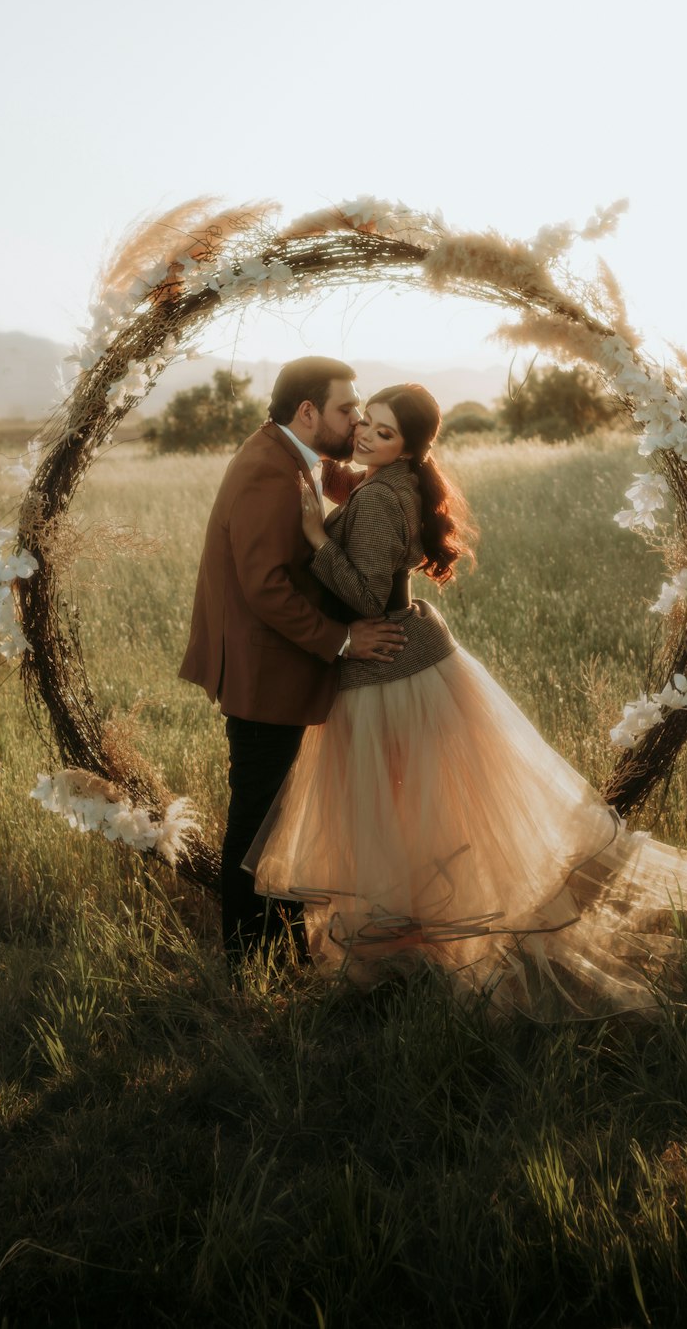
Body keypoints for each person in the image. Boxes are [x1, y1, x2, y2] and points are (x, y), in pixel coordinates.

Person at [244, 384, 687, 1020]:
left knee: (392, 813)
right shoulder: (394, 480)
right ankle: (417, 938)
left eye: (382, 432)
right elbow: (366, 510)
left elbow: (360, 592)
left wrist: (312, 531)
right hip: (408, 659)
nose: (364, 436)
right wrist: (326, 475)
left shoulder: (383, 494)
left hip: (385, 668)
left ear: (407, 448)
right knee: (420, 810)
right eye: (365, 423)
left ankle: (409, 950)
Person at [178, 357, 406, 968]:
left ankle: (278, 951)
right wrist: (343, 641)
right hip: (263, 674)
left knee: (276, 817)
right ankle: (248, 962)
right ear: (307, 412)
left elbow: (339, 479)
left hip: (276, 668)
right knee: (259, 820)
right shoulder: (266, 472)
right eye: (345, 408)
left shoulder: (291, 457)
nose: (355, 419)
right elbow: (265, 586)